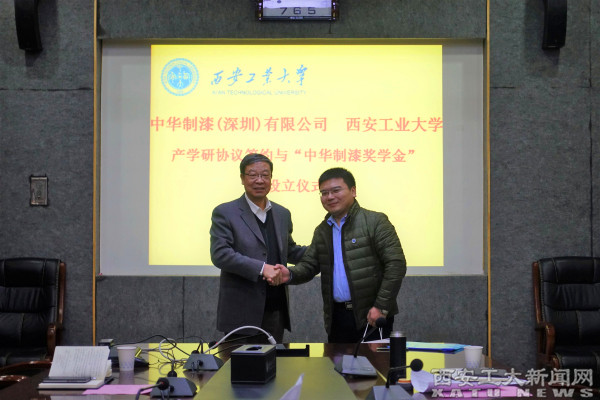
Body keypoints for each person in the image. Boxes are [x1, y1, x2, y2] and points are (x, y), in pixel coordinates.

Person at [272, 167, 406, 343]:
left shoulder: (375, 221)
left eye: (336, 190)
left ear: (353, 191)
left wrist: (381, 306)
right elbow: (309, 265)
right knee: (337, 361)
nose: (330, 197)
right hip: (337, 317)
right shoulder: (322, 230)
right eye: (324, 193)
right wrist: (289, 274)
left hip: (372, 315)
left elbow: (396, 265)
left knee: (374, 361)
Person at [210, 153, 306, 343]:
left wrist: (325, 248)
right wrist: (262, 268)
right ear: (242, 178)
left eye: (265, 175)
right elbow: (220, 254)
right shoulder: (225, 212)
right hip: (241, 313)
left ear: (271, 178)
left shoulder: (282, 213)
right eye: (253, 175)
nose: (259, 180)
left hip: (276, 310)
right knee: (239, 362)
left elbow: (289, 251)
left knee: (274, 361)